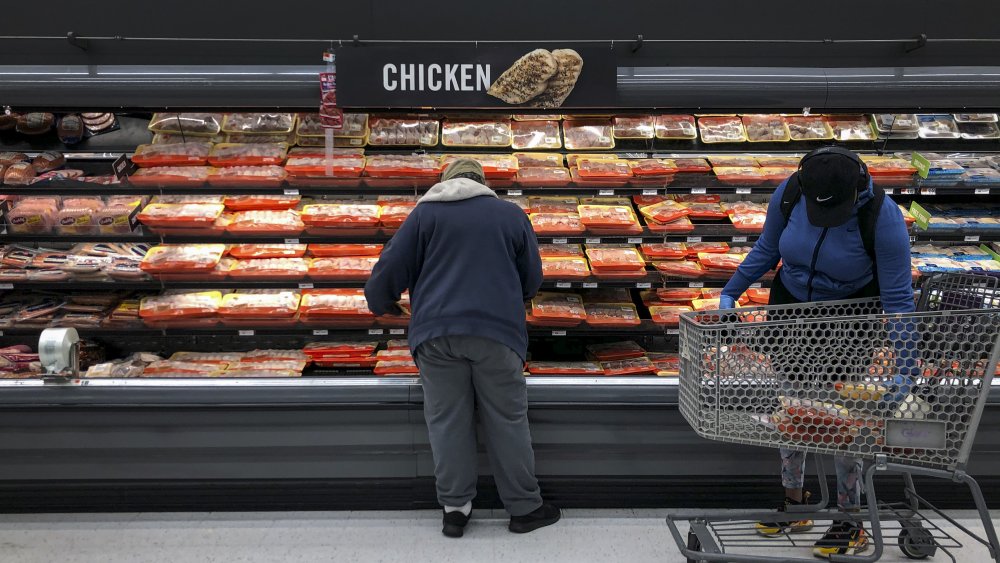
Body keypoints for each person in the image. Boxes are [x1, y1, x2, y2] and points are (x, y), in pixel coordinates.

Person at [718, 146, 914, 559]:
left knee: (841, 420)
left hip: (847, 321)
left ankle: (850, 519)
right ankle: (796, 501)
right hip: (790, 311)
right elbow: (768, 248)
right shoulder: (791, 192)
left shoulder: (883, 217)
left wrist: (906, 368)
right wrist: (730, 292)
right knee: (791, 408)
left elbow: (898, 299)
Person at [365, 158, 560, 538]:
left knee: (447, 421)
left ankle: (455, 510)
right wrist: (506, 299)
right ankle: (524, 508)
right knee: (507, 419)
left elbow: (388, 271)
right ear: (483, 184)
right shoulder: (510, 215)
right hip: (498, 334)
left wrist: (382, 303)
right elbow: (532, 279)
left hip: (436, 336)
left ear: (445, 183)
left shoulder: (423, 216)